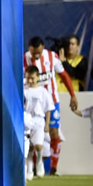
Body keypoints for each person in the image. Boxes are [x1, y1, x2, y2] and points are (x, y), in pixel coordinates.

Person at [25, 36, 79, 176]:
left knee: (54, 133)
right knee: (30, 136)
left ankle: (53, 168)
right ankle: (33, 166)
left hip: (51, 101)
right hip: (31, 104)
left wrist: (72, 95)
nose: (36, 56)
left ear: (43, 48)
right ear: (29, 50)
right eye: (33, 53)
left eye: (38, 52)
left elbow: (63, 75)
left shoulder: (52, 57)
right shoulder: (24, 58)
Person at [24, 65, 54, 180]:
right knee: (29, 148)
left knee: (38, 145)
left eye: (32, 78)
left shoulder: (43, 92)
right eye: (28, 78)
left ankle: (39, 161)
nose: (30, 81)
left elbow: (48, 109)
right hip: (27, 120)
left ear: (38, 77)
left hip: (39, 120)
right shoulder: (24, 91)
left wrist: (47, 124)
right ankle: (29, 171)